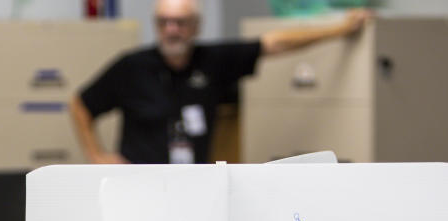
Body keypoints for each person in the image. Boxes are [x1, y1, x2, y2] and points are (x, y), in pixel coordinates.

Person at [70, 0, 371, 165]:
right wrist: (97, 156)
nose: (172, 30)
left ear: (197, 26)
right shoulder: (131, 67)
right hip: (137, 185)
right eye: (164, 22)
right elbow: (80, 104)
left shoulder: (213, 61)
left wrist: (339, 30)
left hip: (195, 183)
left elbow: (275, 43)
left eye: (180, 22)